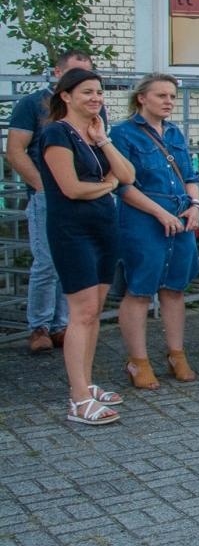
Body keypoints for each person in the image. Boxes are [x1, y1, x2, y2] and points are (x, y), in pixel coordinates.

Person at [40, 68, 137, 424]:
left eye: (99, 92)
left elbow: (127, 176)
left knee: (93, 312)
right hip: (72, 231)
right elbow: (72, 189)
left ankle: (85, 382)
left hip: (103, 227)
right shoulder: (55, 133)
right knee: (80, 313)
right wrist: (107, 186)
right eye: (86, 92)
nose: (96, 98)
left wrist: (103, 140)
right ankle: (78, 399)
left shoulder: (93, 134)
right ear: (65, 96)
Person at [109, 73, 199, 389]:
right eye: (161, 96)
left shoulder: (175, 133)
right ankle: (138, 361)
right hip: (142, 217)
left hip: (181, 215)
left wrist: (196, 206)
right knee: (140, 289)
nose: (168, 102)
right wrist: (160, 212)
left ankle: (176, 354)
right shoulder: (123, 134)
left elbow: (190, 175)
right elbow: (123, 185)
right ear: (142, 98)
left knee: (175, 287)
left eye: (172, 96)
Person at [8, 49, 94, 354]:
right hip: (48, 197)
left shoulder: (93, 107)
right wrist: (43, 187)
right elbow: (16, 150)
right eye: (74, 74)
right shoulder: (32, 104)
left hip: (82, 198)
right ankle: (40, 326)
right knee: (46, 263)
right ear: (57, 74)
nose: (81, 81)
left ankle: (62, 325)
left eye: (86, 74)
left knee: (71, 261)